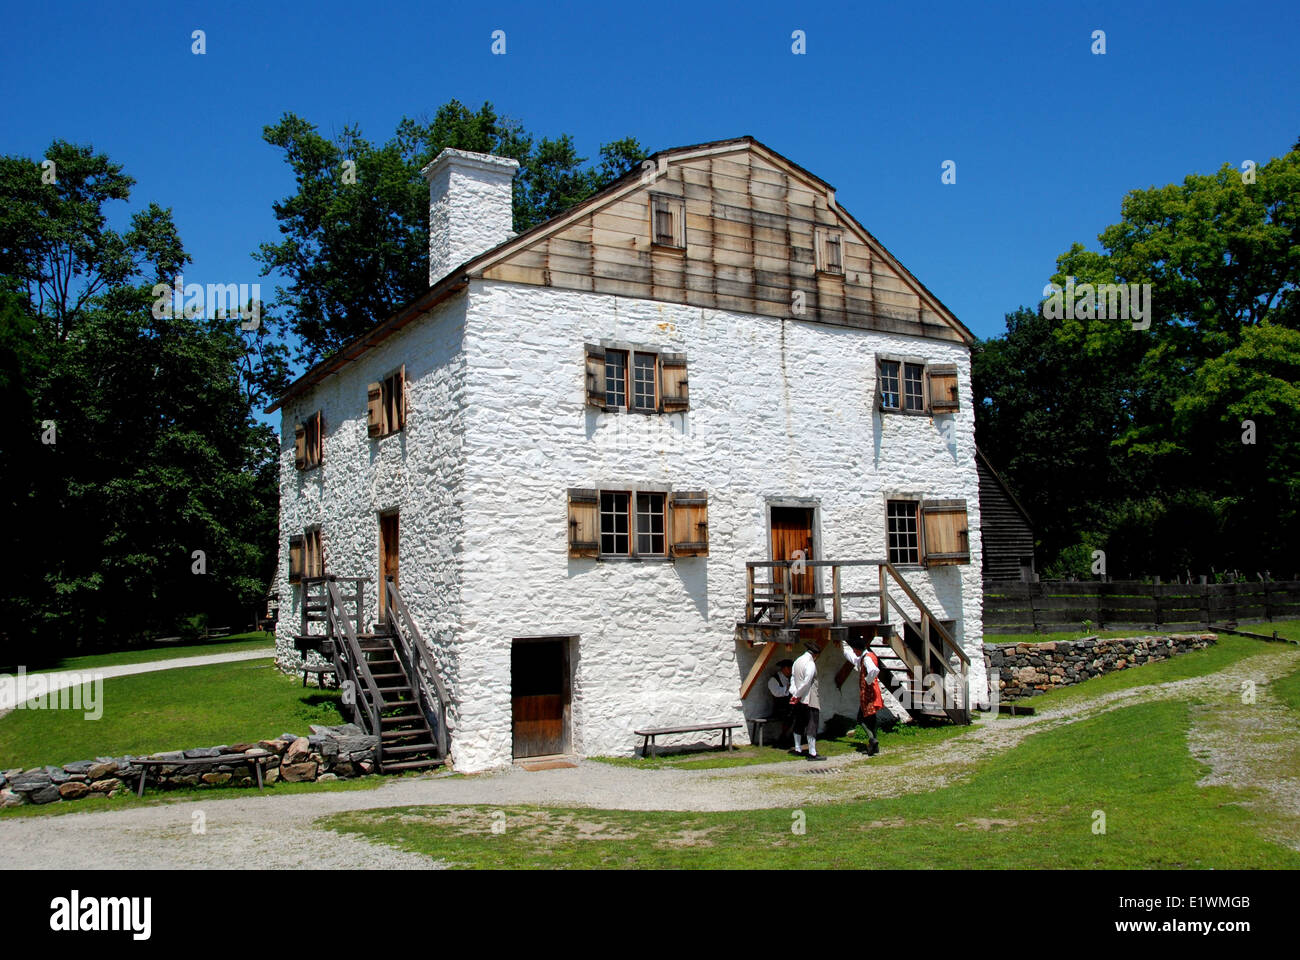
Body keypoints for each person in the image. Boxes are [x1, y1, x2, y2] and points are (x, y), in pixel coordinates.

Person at [842, 639, 883, 756]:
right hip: (872, 692)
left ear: (859, 649)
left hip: (868, 694)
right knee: (872, 719)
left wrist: (867, 681)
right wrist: (842, 648)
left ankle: (872, 739)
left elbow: (874, 670)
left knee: (861, 718)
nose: (854, 652)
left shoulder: (867, 659)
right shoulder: (866, 656)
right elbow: (854, 659)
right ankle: (874, 746)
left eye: (855, 650)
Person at [788, 641, 825, 760]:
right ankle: (812, 752)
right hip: (809, 697)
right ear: (815, 654)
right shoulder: (810, 664)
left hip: (798, 697)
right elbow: (807, 682)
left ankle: (798, 748)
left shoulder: (797, 661)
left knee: (799, 722)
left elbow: (793, 678)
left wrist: (794, 693)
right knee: (812, 724)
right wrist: (798, 695)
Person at [766, 659, 794, 746]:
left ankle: (794, 736)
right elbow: (776, 693)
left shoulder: (791, 678)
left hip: (790, 706)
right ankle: (784, 737)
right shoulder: (774, 680)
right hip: (780, 707)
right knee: (789, 713)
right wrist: (787, 688)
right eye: (789, 669)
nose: (791, 671)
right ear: (784, 668)